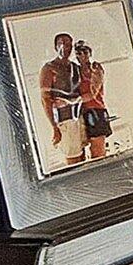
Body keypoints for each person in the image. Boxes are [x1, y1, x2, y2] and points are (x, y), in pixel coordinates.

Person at [36, 31, 82, 166]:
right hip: (63, 119)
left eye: (69, 44)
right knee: (73, 160)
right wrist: (54, 127)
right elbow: (45, 99)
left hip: (79, 116)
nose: (66, 48)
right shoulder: (49, 68)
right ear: (56, 47)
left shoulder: (75, 67)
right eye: (62, 44)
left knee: (83, 158)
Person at [73, 40, 113, 163]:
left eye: (85, 52)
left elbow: (93, 93)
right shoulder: (75, 71)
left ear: (90, 52)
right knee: (81, 150)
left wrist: (73, 101)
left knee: (98, 149)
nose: (82, 55)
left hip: (97, 111)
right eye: (79, 53)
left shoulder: (95, 67)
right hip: (82, 112)